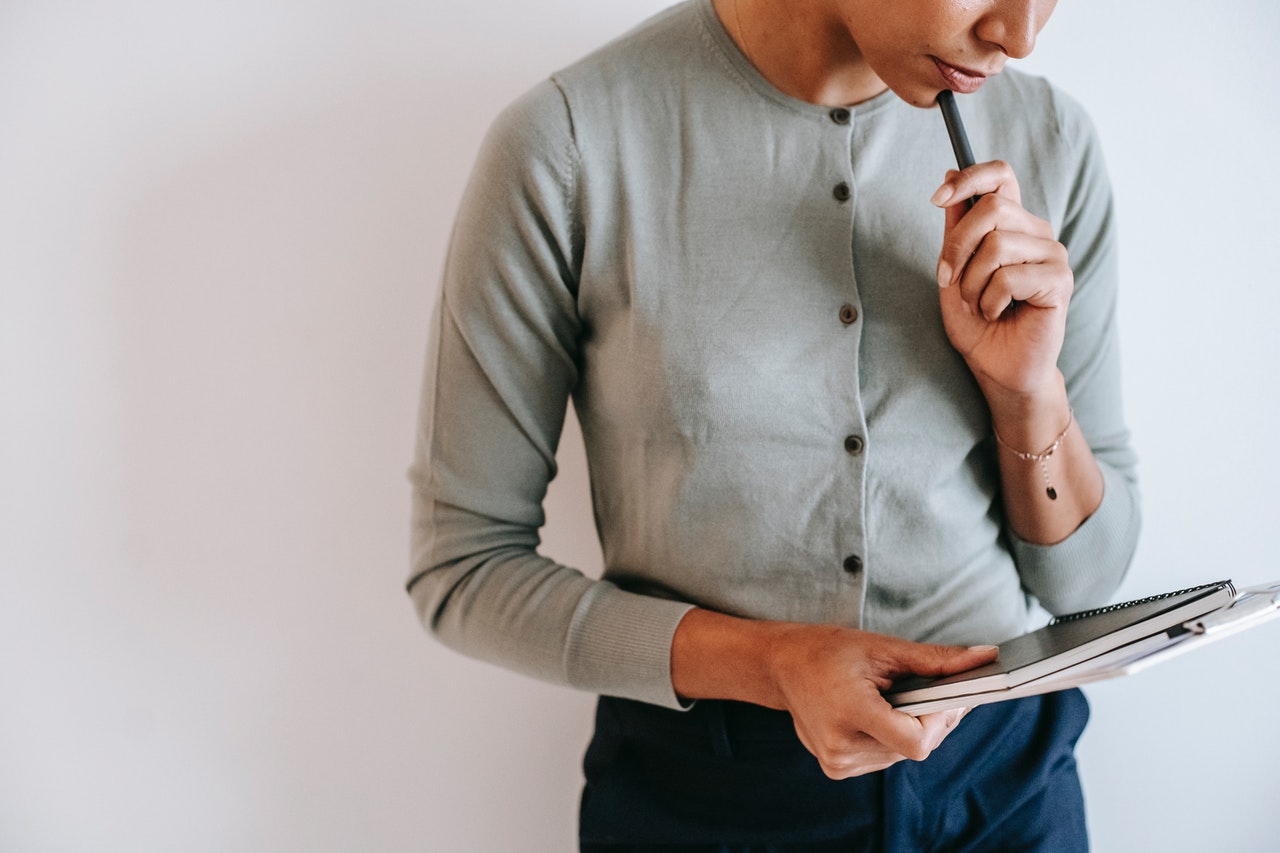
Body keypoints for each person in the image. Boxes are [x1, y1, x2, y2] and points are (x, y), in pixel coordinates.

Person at [408, 0, 1141, 848]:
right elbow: (464, 570)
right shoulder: (569, 144)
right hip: (707, 804)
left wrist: (1026, 391)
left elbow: (1085, 585)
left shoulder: (1051, 138)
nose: (1018, 35)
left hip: (1007, 790)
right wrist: (773, 662)